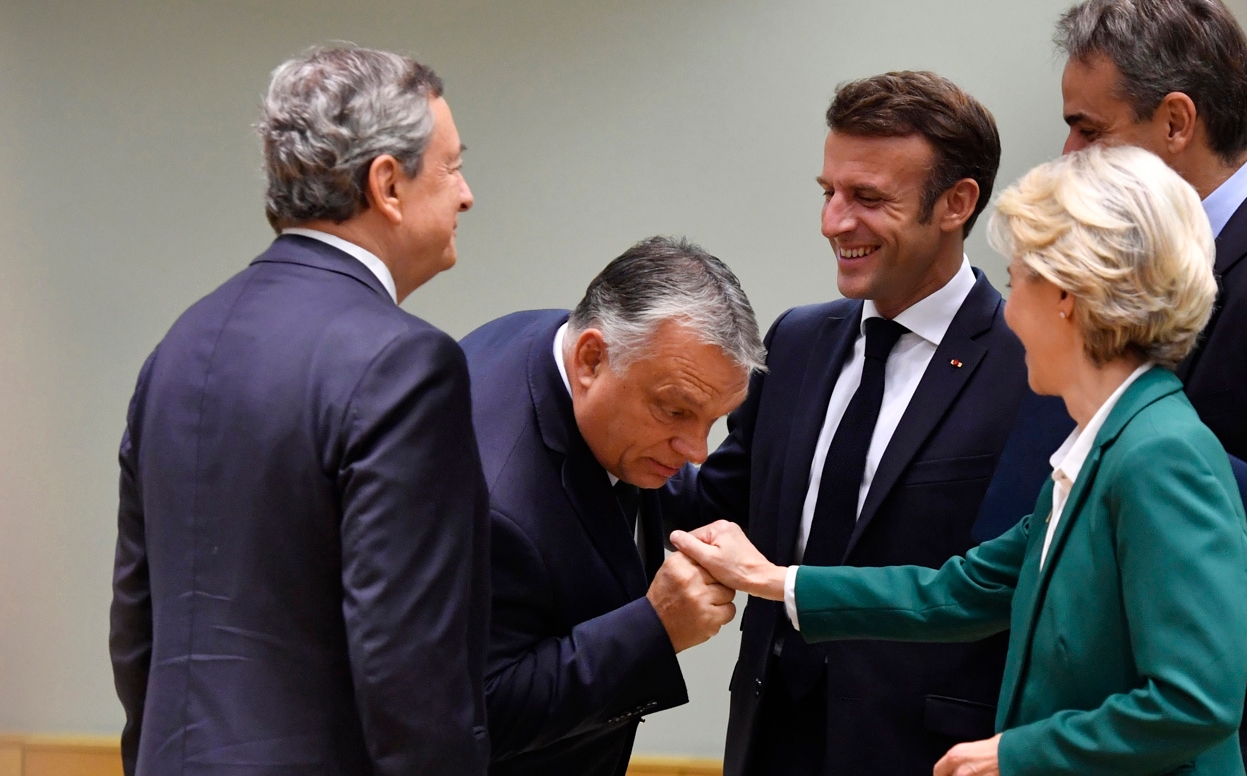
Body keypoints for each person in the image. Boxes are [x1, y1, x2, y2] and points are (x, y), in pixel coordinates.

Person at [675, 145, 1247, 776]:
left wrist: (1017, 753)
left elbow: (1194, 704)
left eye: (1017, 281)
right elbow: (962, 590)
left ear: (1068, 295)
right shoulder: (1104, 446)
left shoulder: (1159, 453)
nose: (1007, 310)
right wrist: (772, 580)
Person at [983, 0, 1247, 771]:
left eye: (1089, 129)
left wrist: (1141, 581)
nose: (1069, 156)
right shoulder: (1130, 268)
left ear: (1178, 121)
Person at [109, 46, 490, 775]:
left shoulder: (181, 345)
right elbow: (409, 667)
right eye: (450, 166)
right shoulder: (407, 366)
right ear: (388, 185)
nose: (466, 194)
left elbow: (138, 628)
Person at [662, 71, 1033, 775]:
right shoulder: (797, 342)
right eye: (828, 192)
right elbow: (715, 505)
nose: (835, 222)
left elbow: (1017, 588)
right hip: (771, 735)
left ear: (957, 203)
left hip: (928, 752)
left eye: (867, 198)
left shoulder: (1028, 365)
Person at [460, 236, 764, 776]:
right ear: (591, 359)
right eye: (675, 410)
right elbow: (474, 715)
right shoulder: (495, 503)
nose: (697, 450)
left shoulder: (550, 337)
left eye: (713, 421)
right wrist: (655, 628)